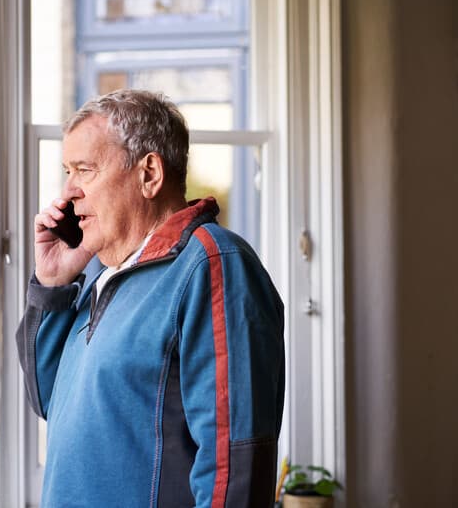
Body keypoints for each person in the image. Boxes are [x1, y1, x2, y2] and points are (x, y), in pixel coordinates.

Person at [16, 89, 285, 507]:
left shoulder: (212, 264)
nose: (68, 192)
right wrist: (51, 285)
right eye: (68, 171)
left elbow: (234, 462)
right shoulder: (105, 274)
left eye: (84, 170)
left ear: (149, 174)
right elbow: (48, 399)